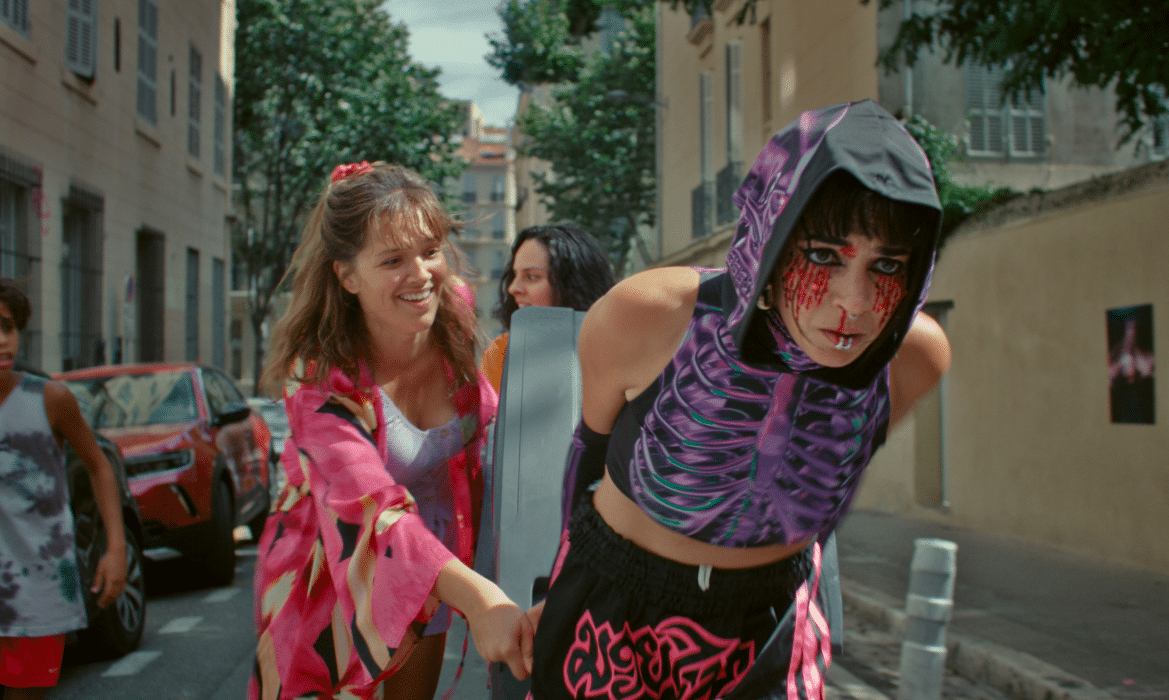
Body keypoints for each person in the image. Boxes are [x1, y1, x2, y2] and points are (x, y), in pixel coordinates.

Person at [527, 100, 952, 699]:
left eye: (887, 266)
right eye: (825, 256)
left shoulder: (912, 357)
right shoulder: (647, 316)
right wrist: (550, 588)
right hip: (611, 615)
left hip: (769, 628)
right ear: (773, 234)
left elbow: (826, 490)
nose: (854, 303)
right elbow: (587, 458)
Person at [250, 162, 533, 700]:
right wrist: (478, 599)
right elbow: (371, 510)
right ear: (347, 275)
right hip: (330, 574)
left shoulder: (453, 319)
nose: (422, 273)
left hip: (431, 565)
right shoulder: (317, 382)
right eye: (393, 260)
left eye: (430, 250)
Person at [0, 279, 127, 700]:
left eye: (7, 327)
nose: (2, 340)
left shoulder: (49, 399)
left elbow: (98, 466)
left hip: (36, 593)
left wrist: (116, 548)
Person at [480, 225, 616, 394]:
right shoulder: (501, 353)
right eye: (515, 275)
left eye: (531, 276)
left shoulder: (616, 351)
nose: (513, 288)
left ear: (571, 285)